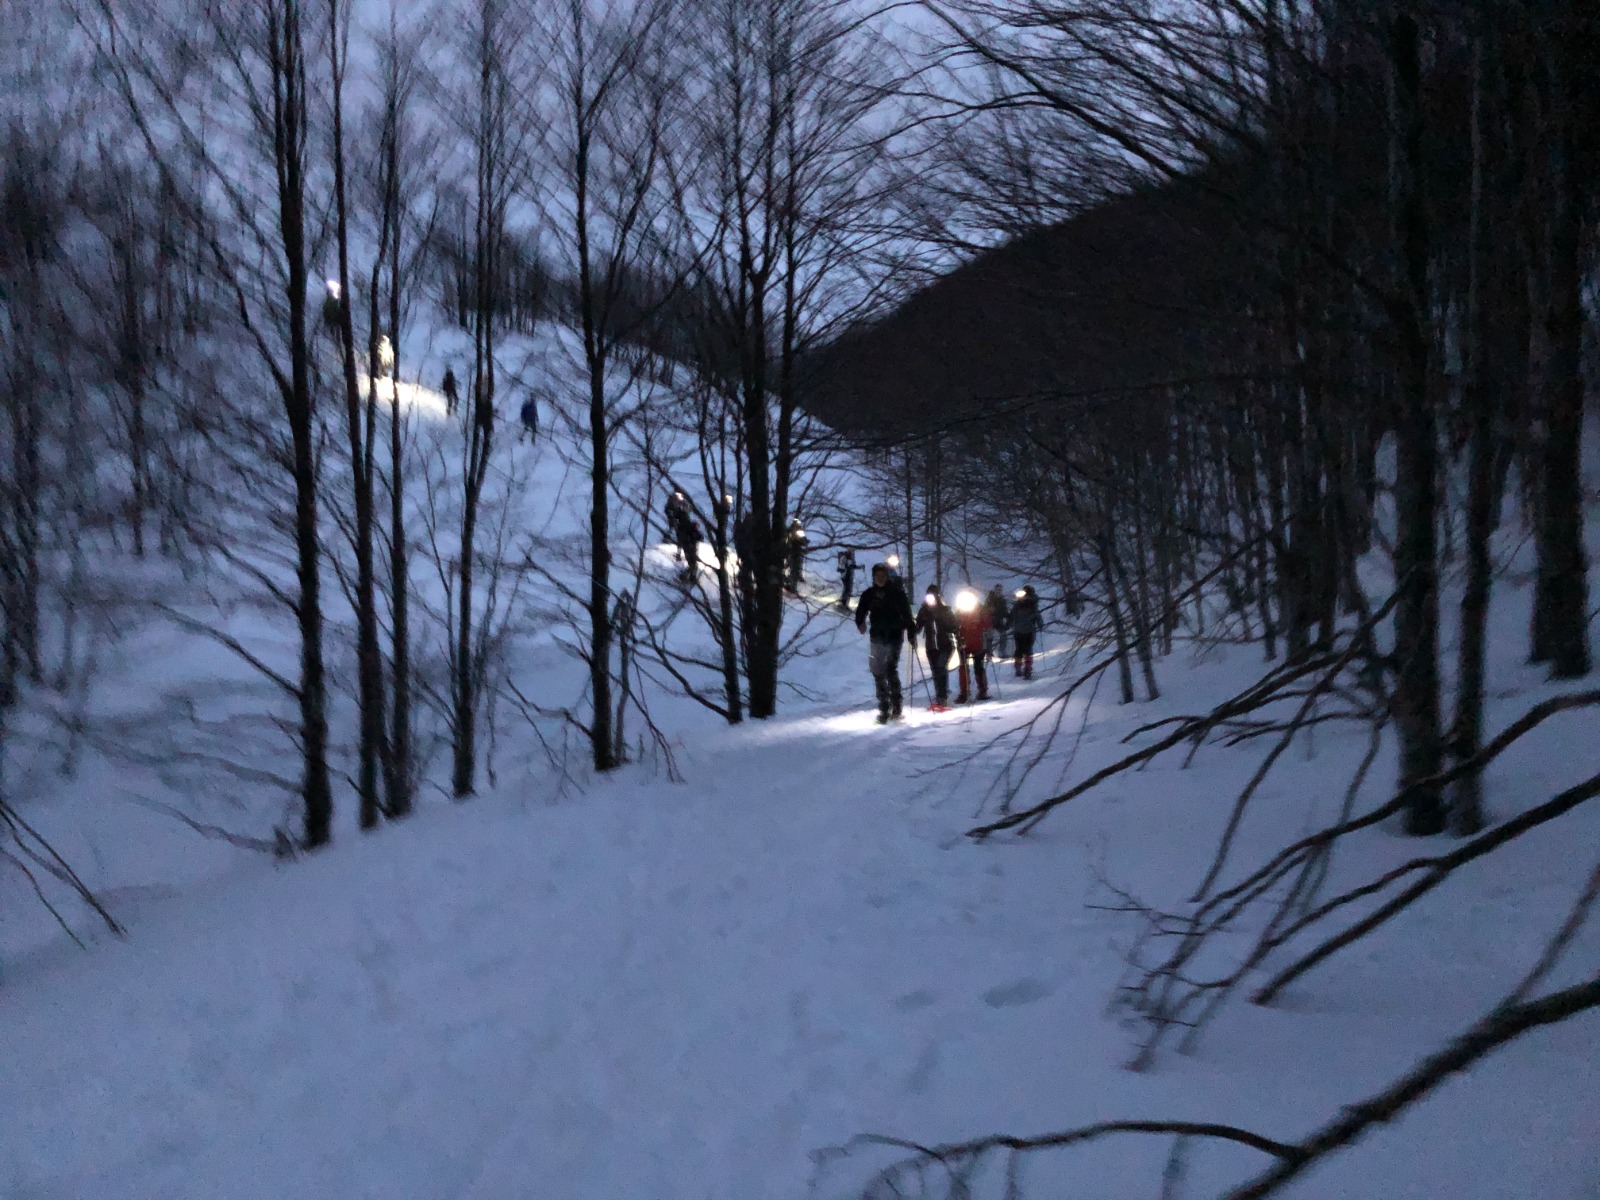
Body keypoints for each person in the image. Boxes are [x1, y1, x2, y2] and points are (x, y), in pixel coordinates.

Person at [854, 562, 916, 723]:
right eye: (877, 576)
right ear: (873, 578)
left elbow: (907, 614)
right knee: (878, 671)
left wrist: (911, 632)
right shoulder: (869, 594)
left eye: (882, 576)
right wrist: (859, 622)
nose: (880, 579)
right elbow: (861, 610)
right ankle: (883, 706)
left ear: (887, 577)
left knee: (890, 669)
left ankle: (896, 705)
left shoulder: (897, 593)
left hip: (895, 636)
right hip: (877, 636)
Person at [915, 584, 959, 709]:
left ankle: (943, 696)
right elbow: (918, 627)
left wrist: (957, 636)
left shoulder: (945, 610)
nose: (931, 599)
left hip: (945, 645)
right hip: (931, 646)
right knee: (935, 670)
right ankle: (939, 694)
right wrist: (913, 631)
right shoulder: (924, 611)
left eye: (933, 596)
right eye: (929, 596)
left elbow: (954, 627)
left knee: (941, 667)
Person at [954, 589, 992, 703]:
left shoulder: (981, 610)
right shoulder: (960, 612)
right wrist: (957, 634)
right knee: (963, 668)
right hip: (963, 643)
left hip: (978, 644)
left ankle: (982, 691)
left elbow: (988, 625)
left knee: (978, 667)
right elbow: (954, 625)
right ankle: (964, 692)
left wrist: (988, 643)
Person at [1012, 585, 1041, 680]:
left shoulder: (1018, 603)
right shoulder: (1033, 603)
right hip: (1029, 630)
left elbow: (1012, 615)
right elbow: (1037, 615)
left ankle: (1019, 668)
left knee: (1019, 649)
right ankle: (1027, 669)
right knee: (1027, 650)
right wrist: (1040, 624)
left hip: (1019, 630)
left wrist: (1005, 626)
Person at [984, 585, 1012, 660]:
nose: (999, 591)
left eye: (1000, 590)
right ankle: (988, 653)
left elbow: (1004, 610)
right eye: (997, 590)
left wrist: (1008, 617)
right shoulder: (990, 599)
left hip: (999, 620)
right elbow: (985, 609)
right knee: (989, 637)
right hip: (991, 620)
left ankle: (1002, 652)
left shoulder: (1002, 600)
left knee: (1003, 635)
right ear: (995, 590)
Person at [784, 517, 808, 594]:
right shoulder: (798, 530)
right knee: (795, 569)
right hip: (796, 551)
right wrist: (806, 542)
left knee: (790, 568)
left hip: (789, 551)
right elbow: (803, 540)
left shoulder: (788, 530)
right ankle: (792, 587)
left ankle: (788, 582)